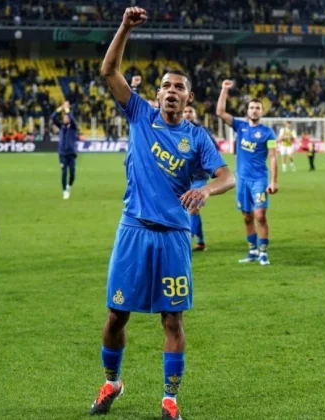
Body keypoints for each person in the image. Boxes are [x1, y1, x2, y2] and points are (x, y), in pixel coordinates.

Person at [93, 7, 235, 419]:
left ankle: (170, 398)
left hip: (173, 236)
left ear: (188, 99)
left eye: (179, 88)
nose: (172, 92)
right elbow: (108, 70)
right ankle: (111, 382)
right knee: (116, 315)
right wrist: (124, 27)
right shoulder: (140, 114)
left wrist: (206, 189)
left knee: (172, 321)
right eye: (166, 86)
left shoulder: (197, 138)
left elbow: (227, 176)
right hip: (133, 231)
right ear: (157, 95)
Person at [216, 79, 278, 265]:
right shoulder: (240, 127)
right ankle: (252, 251)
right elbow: (220, 112)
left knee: (260, 215)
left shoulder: (268, 133)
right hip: (242, 179)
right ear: (247, 111)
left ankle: (263, 252)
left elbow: (273, 157)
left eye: (258, 108)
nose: (254, 111)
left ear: (262, 112)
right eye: (252, 108)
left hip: (259, 180)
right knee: (247, 216)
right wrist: (224, 90)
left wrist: (273, 181)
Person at [183, 105, 219, 252]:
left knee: (192, 208)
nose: (187, 114)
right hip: (183, 177)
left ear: (195, 114)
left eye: (190, 111)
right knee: (194, 211)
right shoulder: (176, 130)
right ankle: (201, 242)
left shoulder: (202, 131)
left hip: (199, 175)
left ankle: (188, 241)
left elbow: (214, 149)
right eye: (185, 111)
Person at [50, 101, 78, 200]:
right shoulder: (61, 127)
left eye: (66, 117)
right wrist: (60, 108)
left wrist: (67, 109)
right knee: (64, 172)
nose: (65, 118)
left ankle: (69, 185)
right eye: (64, 117)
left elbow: (72, 118)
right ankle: (65, 191)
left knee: (72, 174)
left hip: (72, 154)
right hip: (62, 154)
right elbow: (52, 117)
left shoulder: (73, 127)